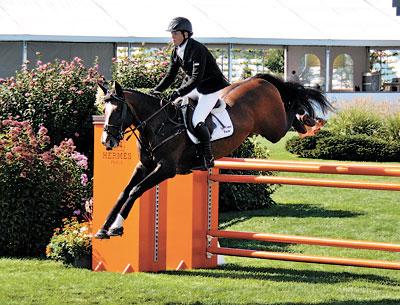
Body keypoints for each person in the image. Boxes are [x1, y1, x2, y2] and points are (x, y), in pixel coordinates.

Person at [151, 17, 230, 169]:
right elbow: (170, 76)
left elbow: (195, 78)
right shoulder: (176, 51)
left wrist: (178, 92)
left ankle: (207, 156)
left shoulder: (197, 49)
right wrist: (156, 90)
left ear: (186, 34)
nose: (172, 36)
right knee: (174, 107)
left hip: (210, 88)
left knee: (197, 120)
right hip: (196, 87)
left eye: (175, 33)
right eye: (172, 33)